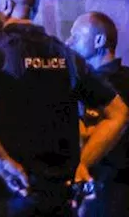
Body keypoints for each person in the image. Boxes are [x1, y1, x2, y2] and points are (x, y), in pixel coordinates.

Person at [0, 0, 129, 216]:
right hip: (59, 194)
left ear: (7, 5)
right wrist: (83, 163)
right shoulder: (65, 54)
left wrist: (0, 160)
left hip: (9, 190)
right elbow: (118, 113)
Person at [67, 11, 129, 216]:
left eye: (76, 36)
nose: (69, 42)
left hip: (107, 190)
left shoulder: (111, 88)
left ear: (99, 40)